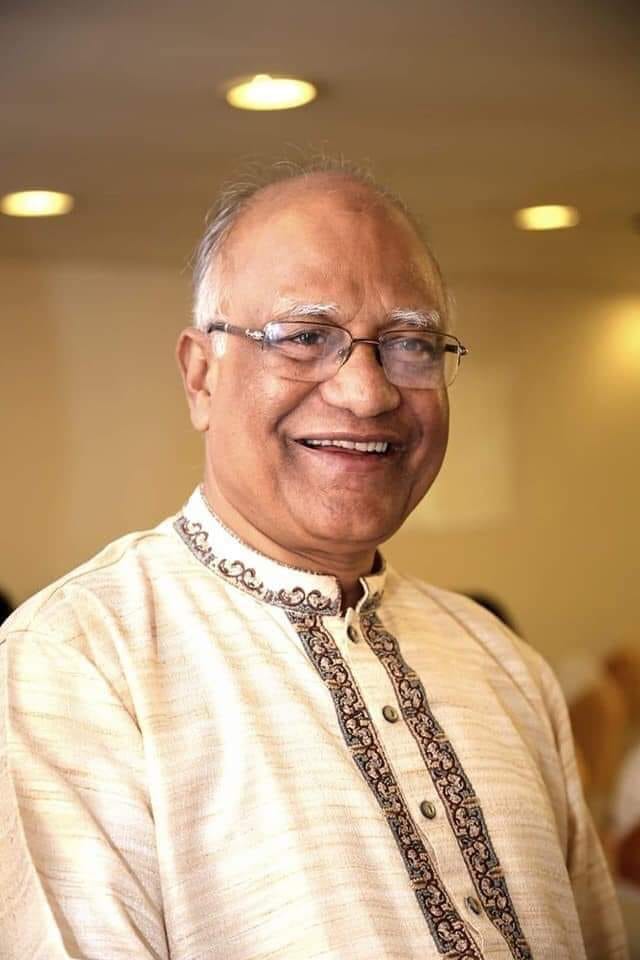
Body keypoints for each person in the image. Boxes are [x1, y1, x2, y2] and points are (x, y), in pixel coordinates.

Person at [1, 160, 628, 960]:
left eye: (410, 344)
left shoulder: (505, 665)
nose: (368, 393)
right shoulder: (77, 664)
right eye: (304, 337)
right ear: (200, 376)